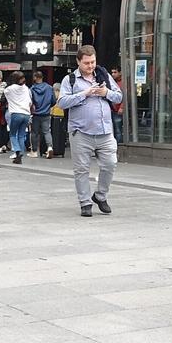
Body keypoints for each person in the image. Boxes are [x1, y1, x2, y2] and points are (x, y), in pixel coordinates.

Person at [58, 46, 124, 217]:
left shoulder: (103, 75)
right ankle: (85, 202)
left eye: (93, 62)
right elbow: (62, 102)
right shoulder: (70, 79)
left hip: (105, 131)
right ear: (78, 62)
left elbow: (119, 96)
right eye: (86, 63)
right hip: (80, 132)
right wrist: (84, 94)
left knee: (110, 164)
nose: (90, 66)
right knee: (81, 169)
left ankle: (100, 195)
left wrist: (106, 92)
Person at [5, 71, 32, 164]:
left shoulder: (9, 89)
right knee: (21, 135)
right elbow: (30, 102)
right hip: (26, 114)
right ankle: (20, 154)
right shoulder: (26, 88)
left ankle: (17, 151)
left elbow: (5, 95)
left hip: (16, 113)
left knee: (13, 134)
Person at [30, 71, 54, 158]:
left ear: (35, 77)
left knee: (34, 133)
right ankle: (50, 147)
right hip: (46, 113)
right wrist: (47, 107)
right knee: (47, 132)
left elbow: (30, 101)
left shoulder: (32, 89)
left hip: (36, 114)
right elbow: (53, 101)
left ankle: (34, 151)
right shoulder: (49, 88)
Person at [110, 68, 127, 144]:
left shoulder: (123, 83)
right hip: (113, 109)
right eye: (112, 72)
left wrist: (122, 107)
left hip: (118, 109)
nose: (113, 74)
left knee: (118, 130)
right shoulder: (113, 82)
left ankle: (119, 146)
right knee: (113, 129)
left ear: (120, 73)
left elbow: (126, 96)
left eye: (115, 72)